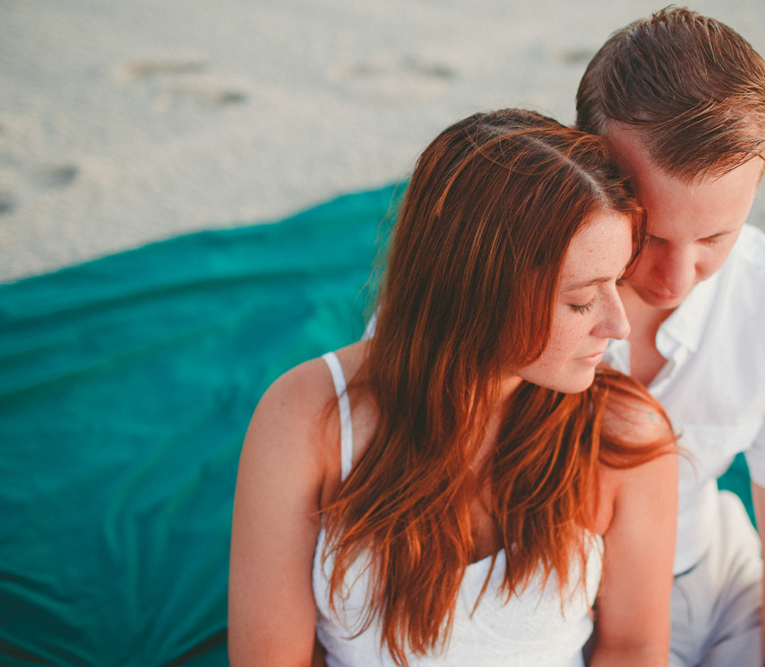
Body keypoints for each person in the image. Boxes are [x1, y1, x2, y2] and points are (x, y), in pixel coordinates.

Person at [228, 109, 679, 667]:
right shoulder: (304, 418)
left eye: (618, 282)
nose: (618, 325)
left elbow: (632, 648)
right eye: (582, 300)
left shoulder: (623, 435)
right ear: (479, 293)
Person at [575, 8, 765, 667]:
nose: (676, 280)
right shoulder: (490, 283)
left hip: (711, 580)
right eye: (648, 233)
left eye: (713, 239)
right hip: (543, 602)